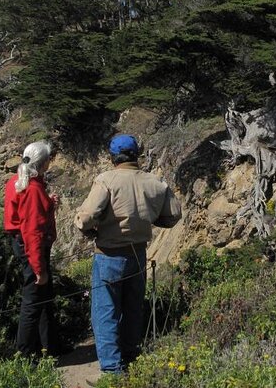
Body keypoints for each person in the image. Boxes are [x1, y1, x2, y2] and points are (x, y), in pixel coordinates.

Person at [74, 134, 182, 374]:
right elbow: (173, 214)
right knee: (133, 308)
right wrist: (151, 222)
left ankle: (113, 370)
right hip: (139, 254)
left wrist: (90, 229)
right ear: (137, 154)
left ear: (113, 157)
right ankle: (131, 357)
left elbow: (85, 217)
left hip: (109, 255)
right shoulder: (156, 182)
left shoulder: (106, 180)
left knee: (106, 312)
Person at [4, 140, 58, 357]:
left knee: (43, 297)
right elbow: (32, 231)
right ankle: (25, 354)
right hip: (31, 247)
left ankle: (50, 346)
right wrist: (39, 268)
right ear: (43, 163)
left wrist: (48, 202)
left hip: (21, 243)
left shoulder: (18, 181)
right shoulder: (34, 188)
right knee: (33, 301)